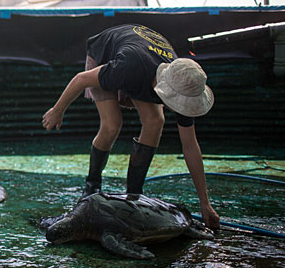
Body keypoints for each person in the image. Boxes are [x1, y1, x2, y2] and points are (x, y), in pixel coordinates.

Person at [42, 24, 220, 230]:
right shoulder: (129, 68)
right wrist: (58, 110)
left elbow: (190, 146)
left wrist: (205, 203)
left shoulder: (185, 82)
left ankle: (134, 194)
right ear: (165, 89)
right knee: (112, 125)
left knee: (155, 122)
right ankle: (92, 186)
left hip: (143, 63)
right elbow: (81, 79)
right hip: (106, 54)